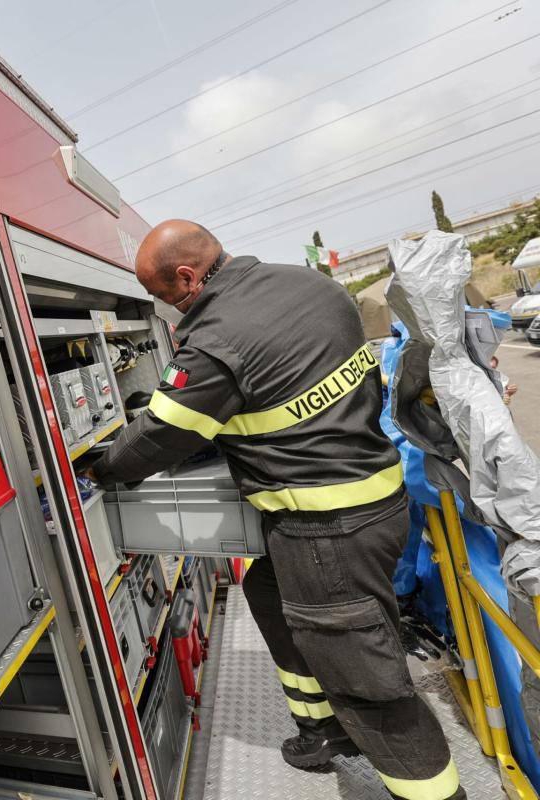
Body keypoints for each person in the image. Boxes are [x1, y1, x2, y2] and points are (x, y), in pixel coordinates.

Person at [89, 220, 463, 800]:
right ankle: (322, 729)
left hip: (326, 527)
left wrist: (100, 468)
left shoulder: (215, 338)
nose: (167, 312)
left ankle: (433, 791)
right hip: (376, 499)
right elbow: (286, 385)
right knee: (268, 590)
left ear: (187, 276)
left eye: (165, 298)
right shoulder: (310, 286)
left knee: (369, 683)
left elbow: (162, 433)